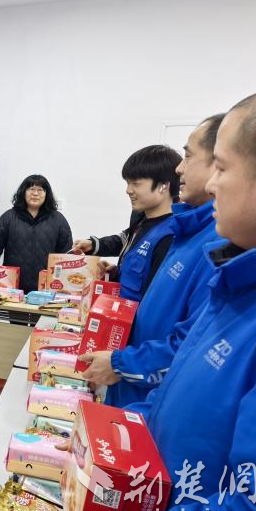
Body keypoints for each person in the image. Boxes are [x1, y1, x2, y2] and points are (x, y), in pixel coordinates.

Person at [68, 87, 256, 511]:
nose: (199, 178)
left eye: (220, 167)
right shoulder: (238, 281)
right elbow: (179, 397)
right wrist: (102, 440)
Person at [80, 115, 225, 407]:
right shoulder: (180, 229)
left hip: (146, 382)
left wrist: (122, 364)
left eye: (188, 156)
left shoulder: (207, 241)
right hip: (130, 366)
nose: (180, 168)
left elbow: (191, 343)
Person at [73, 145, 181, 301]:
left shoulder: (170, 235)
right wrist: (118, 273)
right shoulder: (141, 219)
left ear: (163, 186)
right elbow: (126, 241)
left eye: (136, 184)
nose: (128, 190)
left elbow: (155, 298)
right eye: (128, 183)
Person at [0, 175, 72, 294]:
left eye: (40, 190)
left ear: (47, 194)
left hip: (46, 288)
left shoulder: (58, 220)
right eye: (31, 189)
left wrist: (64, 285)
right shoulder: (8, 217)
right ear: (23, 192)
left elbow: (66, 254)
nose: (35, 193)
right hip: (12, 288)